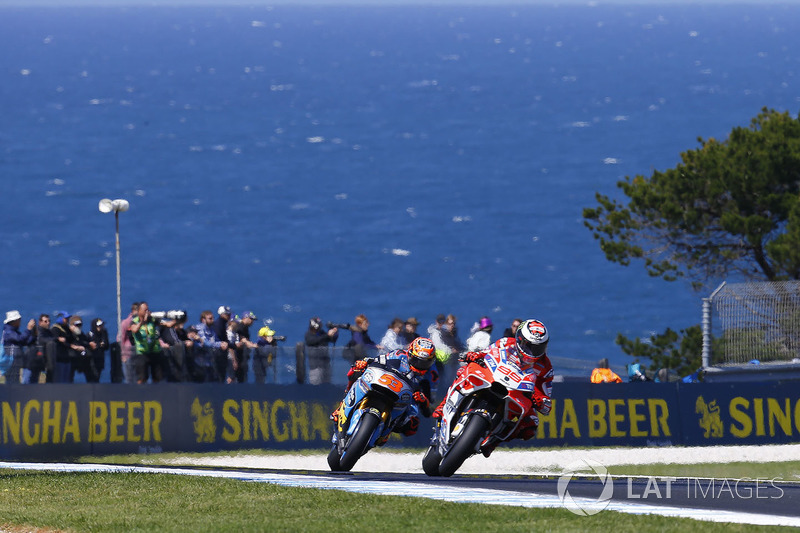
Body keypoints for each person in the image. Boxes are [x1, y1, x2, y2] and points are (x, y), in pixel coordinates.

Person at [434, 319, 554, 458]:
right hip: (493, 377)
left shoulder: (546, 367)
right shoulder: (506, 343)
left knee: (531, 425)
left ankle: (493, 442)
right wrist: (474, 356)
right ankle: (443, 406)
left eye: (537, 347)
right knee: (466, 370)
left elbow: (546, 397)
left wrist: (540, 401)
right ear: (520, 339)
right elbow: (486, 352)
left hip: (517, 393)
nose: (532, 351)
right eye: (529, 346)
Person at [332, 337, 438, 444]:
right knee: (356, 370)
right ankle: (343, 405)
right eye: (416, 360)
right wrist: (365, 363)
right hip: (384, 383)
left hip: (405, 399)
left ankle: (386, 429)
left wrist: (424, 401)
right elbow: (379, 360)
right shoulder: (399, 354)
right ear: (410, 353)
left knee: (413, 425)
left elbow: (430, 409)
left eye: (425, 363)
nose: (419, 365)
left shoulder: (432, 375)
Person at [129, 302, 164, 384]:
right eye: (145, 310)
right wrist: (142, 322)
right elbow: (134, 330)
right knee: (142, 378)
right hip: (142, 352)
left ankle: (157, 393)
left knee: (157, 377)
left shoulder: (152, 320)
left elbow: (166, 324)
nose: (147, 312)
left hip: (153, 351)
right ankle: (141, 394)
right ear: (139, 311)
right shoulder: (134, 321)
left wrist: (176, 320)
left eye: (147, 310)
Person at [192, 310, 229, 382]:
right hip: (200, 363)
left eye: (213, 318)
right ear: (203, 320)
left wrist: (223, 343)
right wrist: (219, 345)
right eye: (210, 318)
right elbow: (205, 343)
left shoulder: (211, 329)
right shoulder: (200, 329)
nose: (212, 320)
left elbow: (215, 340)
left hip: (209, 362)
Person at [2, 310, 36, 384]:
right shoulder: (8, 331)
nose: (20, 321)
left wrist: (33, 335)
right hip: (11, 360)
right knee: (12, 380)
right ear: (13, 321)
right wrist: (28, 329)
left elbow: (23, 342)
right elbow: (19, 338)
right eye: (18, 320)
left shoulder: (14, 331)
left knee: (15, 379)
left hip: (15, 360)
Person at [159, 311, 193, 382]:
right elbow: (174, 341)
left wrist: (190, 341)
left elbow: (186, 339)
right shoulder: (169, 329)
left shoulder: (182, 332)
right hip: (171, 363)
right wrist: (184, 343)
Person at [304, 317, 339, 385]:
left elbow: (331, 340)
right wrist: (327, 335)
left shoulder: (321, 333)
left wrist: (335, 333)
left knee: (327, 383)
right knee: (315, 384)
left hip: (325, 364)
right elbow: (312, 341)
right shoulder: (308, 334)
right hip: (315, 365)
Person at [23, 314, 54, 384]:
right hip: (31, 361)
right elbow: (41, 339)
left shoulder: (49, 332)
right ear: (40, 322)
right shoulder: (38, 331)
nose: (48, 323)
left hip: (39, 362)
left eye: (49, 321)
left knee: (34, 381)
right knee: (27, 381)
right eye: (45, 321)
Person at [232, 311, 259, 383]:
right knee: (240, 375)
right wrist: (250, 344)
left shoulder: (245, 328)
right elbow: (241, 337)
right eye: (251, 319)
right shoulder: (241, 326)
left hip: (243, 355)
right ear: (246, 318)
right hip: (239, 355)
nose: (252, 322)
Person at [69, 316, 98, 382]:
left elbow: (85, 341)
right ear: (71, 325)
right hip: (71, 358)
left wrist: (90, 344)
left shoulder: (81, 334)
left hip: (81, 358)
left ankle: (93, 383)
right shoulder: (68, 334)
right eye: (77, 325)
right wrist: (76, 347)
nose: (79, 327)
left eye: (80, 325)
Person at [117, 302, 140, 384]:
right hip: (128, 354)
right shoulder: (126, 323)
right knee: (129, 378)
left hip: (139, 353)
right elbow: (120, 338)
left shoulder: (141, 322)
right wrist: (122, 355)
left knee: (139, 378)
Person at [86, 318, 109, 383]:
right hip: (92, 360)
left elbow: (106, 346)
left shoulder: (103, 334)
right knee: (93, 377)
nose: (101, 327)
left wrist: (103, 345)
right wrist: (98, 345)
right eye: (99, 326)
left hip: (100, 359)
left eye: (101, 325)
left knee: (98, 376)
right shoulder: (89, 335)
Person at [213, 305, 232, 382]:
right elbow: (219, 338)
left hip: (221, 352)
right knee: (219, 374)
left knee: (222, 374)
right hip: (218, 352)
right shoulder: (219, 324)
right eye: (227, 314)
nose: (229, 316)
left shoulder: (223, 323)